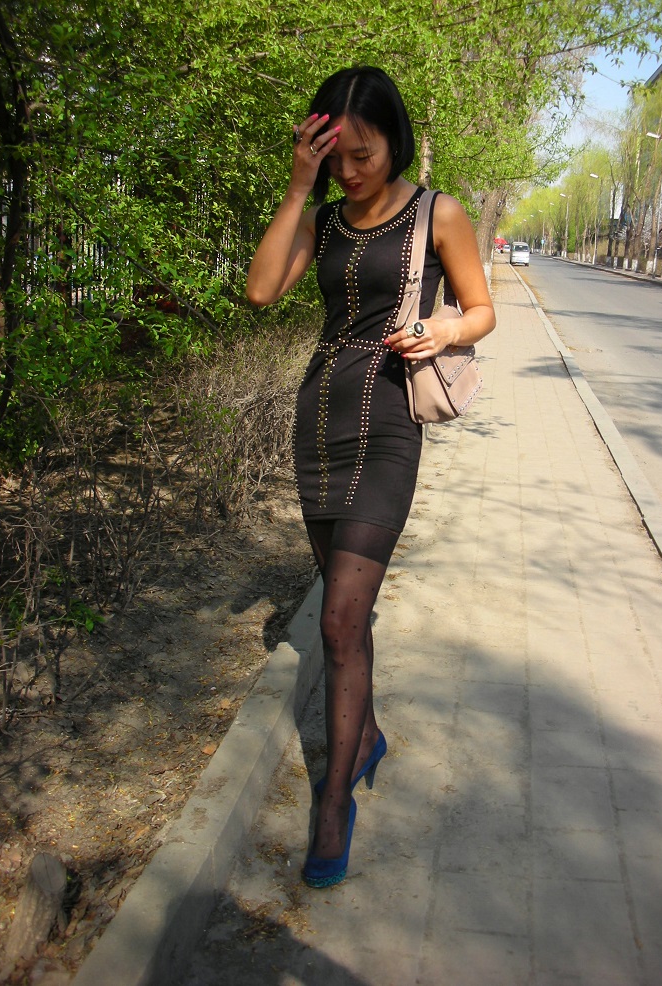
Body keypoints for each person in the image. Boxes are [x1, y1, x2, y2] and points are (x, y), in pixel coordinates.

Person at [246, 66, 495, 888]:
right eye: (338, 156)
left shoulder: (437, 213)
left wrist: (442, 329)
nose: (351, 170)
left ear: (396, 141)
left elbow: (483, 309)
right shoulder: (321, 218)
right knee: (347, 623)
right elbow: (260, 290)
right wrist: (298, 185)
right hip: (319, 420)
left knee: (338, 622)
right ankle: (369, 734)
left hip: (388, 428)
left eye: (364, 153)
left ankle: (333, 800)